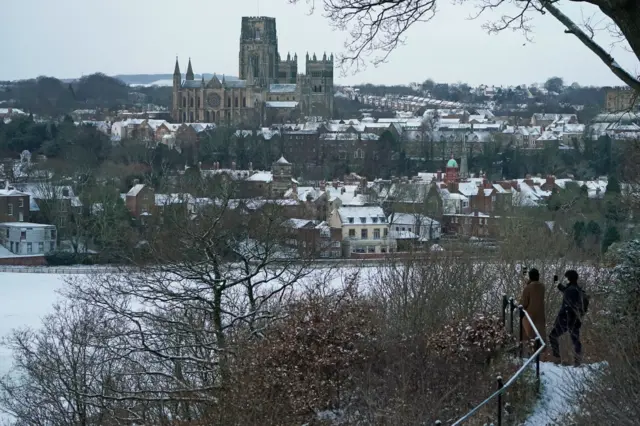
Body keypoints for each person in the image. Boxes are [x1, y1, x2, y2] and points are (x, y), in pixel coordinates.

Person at [548, 270, 584, 366]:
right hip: (575, 318)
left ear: (569, 278)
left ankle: (557, 358)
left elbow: (568, 305)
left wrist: (562, 319)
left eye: (566, 277)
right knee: (575, 340)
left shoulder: (571, 290)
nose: (566, 279)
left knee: (553, 335)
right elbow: (565, 291)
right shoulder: (576, 289)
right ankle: (577, 360)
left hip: (566, 318)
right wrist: (557, 284)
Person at [520, 268, 546, 355]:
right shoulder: (542, 287)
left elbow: (524, 303)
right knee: (539, 335)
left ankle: (528, 354)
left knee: (528, 335)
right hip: (540, 315)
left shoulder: (528, 288)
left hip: (530, 315)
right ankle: (541, 354)